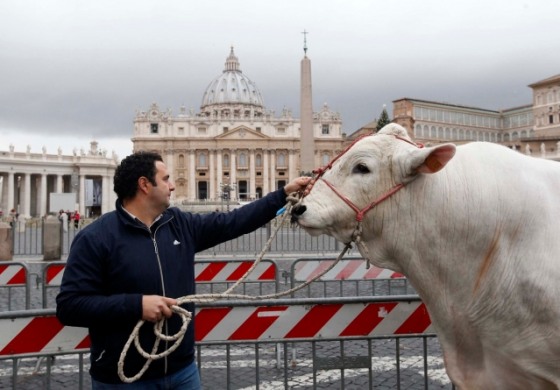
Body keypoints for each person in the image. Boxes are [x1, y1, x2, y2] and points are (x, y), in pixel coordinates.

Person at [56, 151, 311, 389]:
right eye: (165, 179)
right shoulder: (95, 238)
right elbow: (70, 306)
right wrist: (136, 305)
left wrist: (282, 194)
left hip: (182, 371)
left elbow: (233, 222)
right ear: (145, 185)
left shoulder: (180, 224)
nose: (173, 185)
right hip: (123, 378)